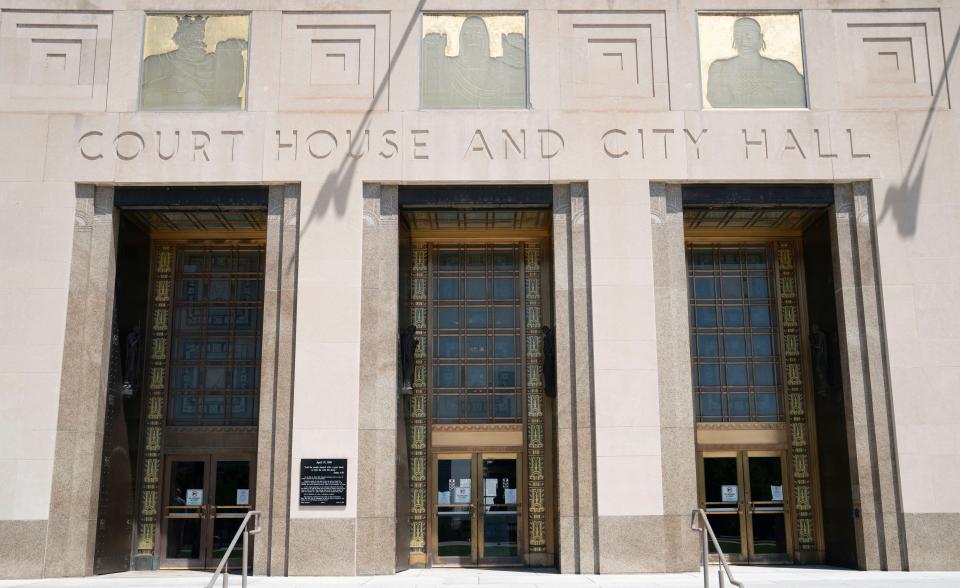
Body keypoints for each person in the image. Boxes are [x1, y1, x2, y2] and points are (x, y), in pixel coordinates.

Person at [141, 15, 247, 110]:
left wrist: (232, 48)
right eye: (192, 39)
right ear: (181, 40)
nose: (196, 43)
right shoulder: (160, 61)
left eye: (197, 39)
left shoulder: (213, 62)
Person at [706, 17, 805, 108]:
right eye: (738, 35)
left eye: (750, 34)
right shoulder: (719, 69)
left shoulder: (783, 70)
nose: (744, 40)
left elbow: (799, 100)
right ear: (734, 39)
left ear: (760, 38)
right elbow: (718, 102)